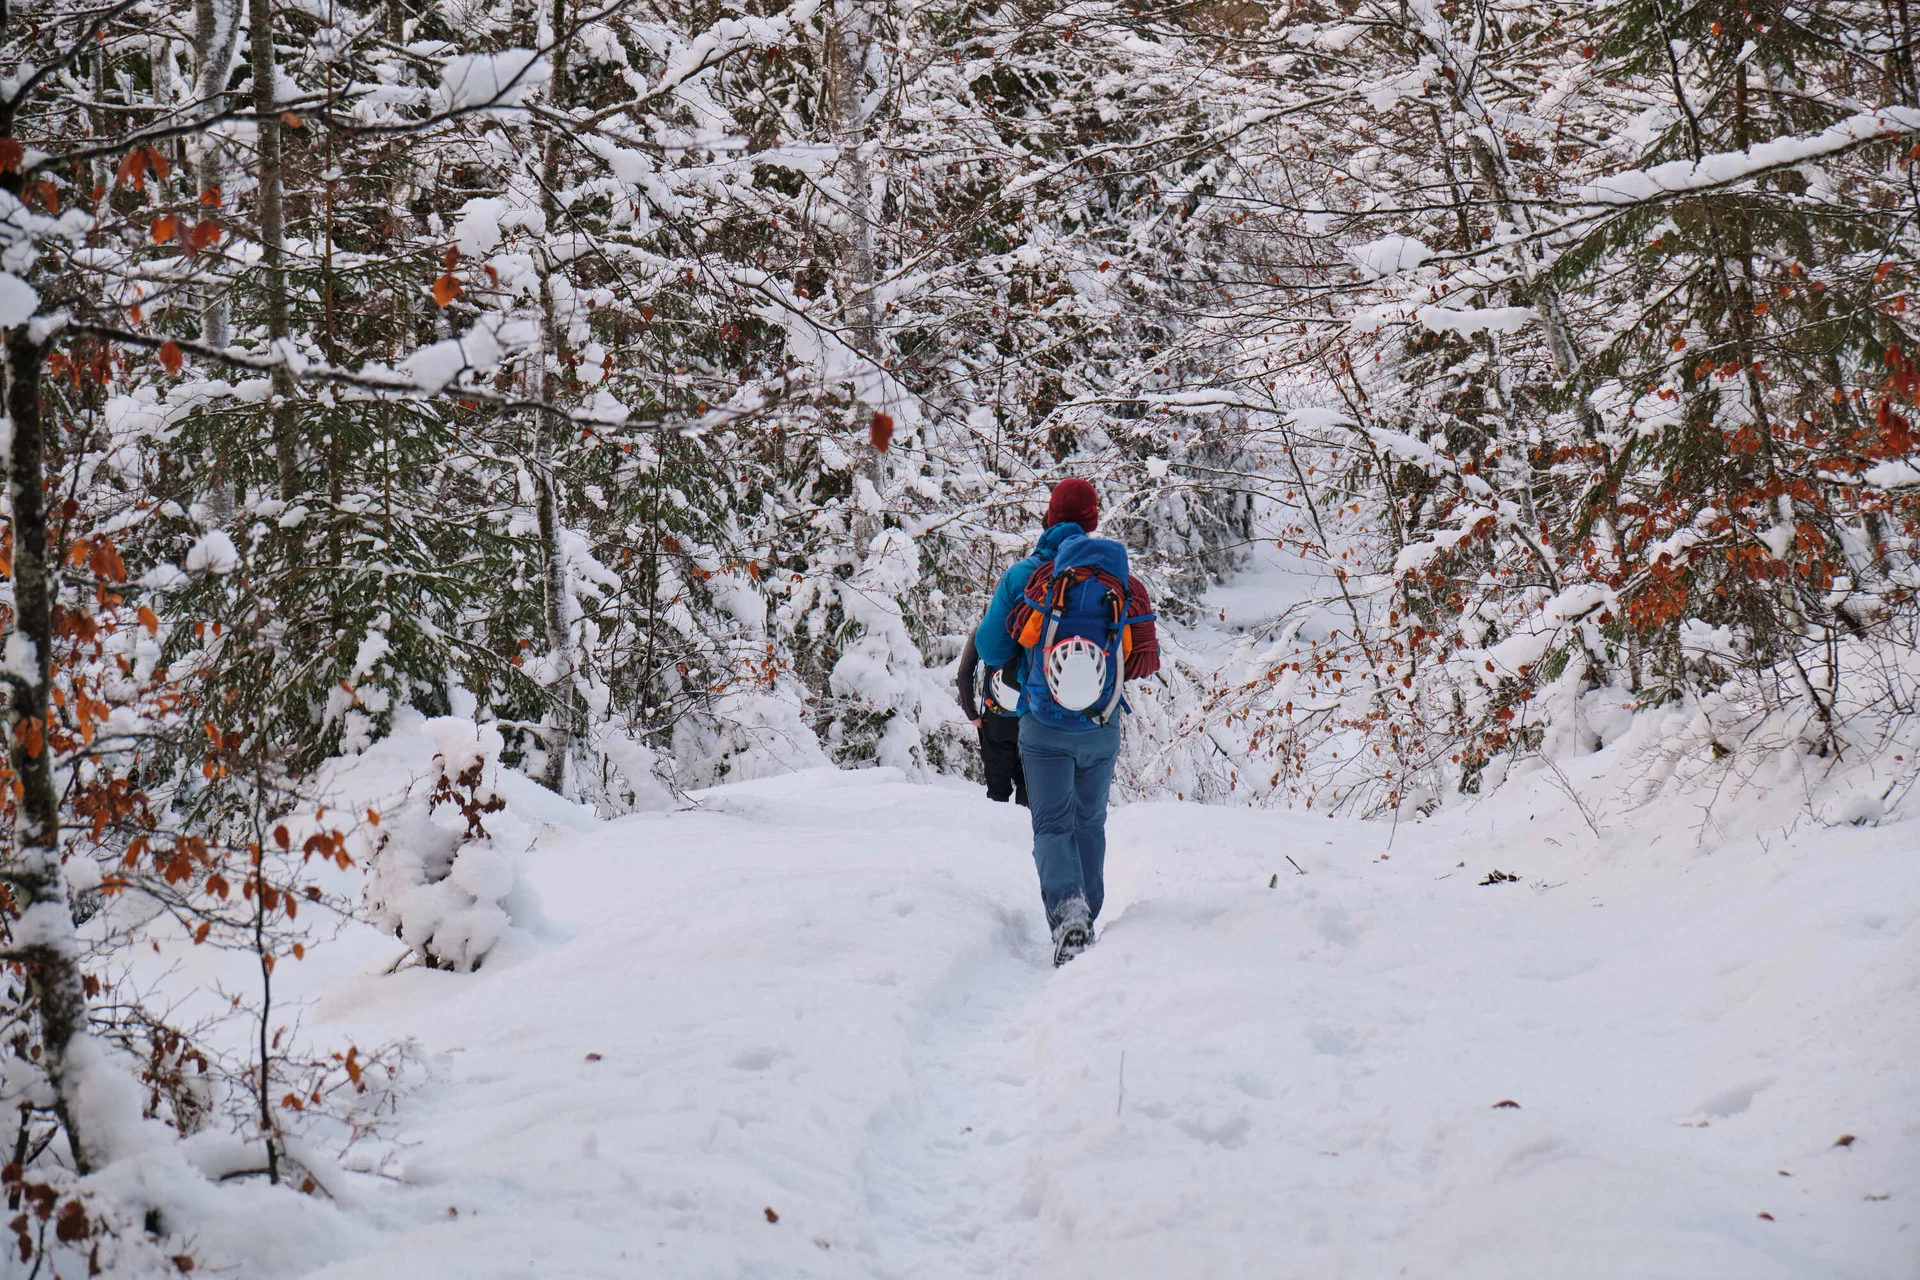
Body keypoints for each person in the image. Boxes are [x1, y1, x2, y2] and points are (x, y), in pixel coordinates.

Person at [975, 478, 1159, 965]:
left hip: (1042, 726)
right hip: (1100, 727)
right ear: (1094, 522)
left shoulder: (1026, 576)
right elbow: (1142, 661)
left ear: (1048, 519)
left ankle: (1069, 916)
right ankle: (1087, 922)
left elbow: (992, 649)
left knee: (1052, 825)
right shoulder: (1121, 583)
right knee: (1089, 823)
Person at [955, 628, 1028, 805]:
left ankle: (996, 828)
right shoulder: (1038, 621)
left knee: (997, 789)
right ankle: (1027, 829)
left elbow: (965, 671)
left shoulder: (987, 627)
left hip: (997, 719)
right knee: (1030, 787)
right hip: (1032, 717)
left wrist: (971, 713)